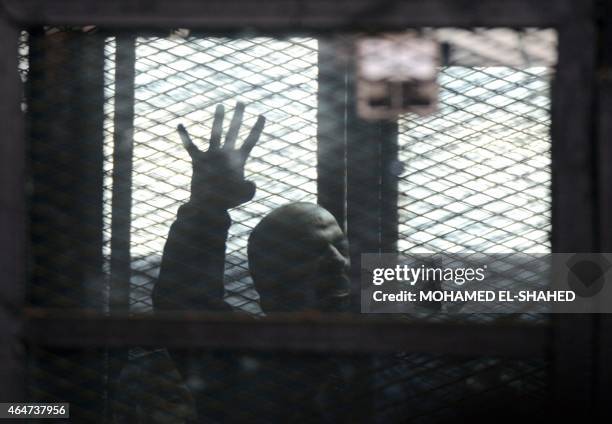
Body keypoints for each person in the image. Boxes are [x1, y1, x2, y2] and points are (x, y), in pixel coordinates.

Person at [148, 102, 353, 422]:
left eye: (340, 246)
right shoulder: (247, 361)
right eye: (309, 251)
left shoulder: (388, 339)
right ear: (269, 285)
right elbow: (182, 303)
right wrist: (206, 208)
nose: (337, 261)